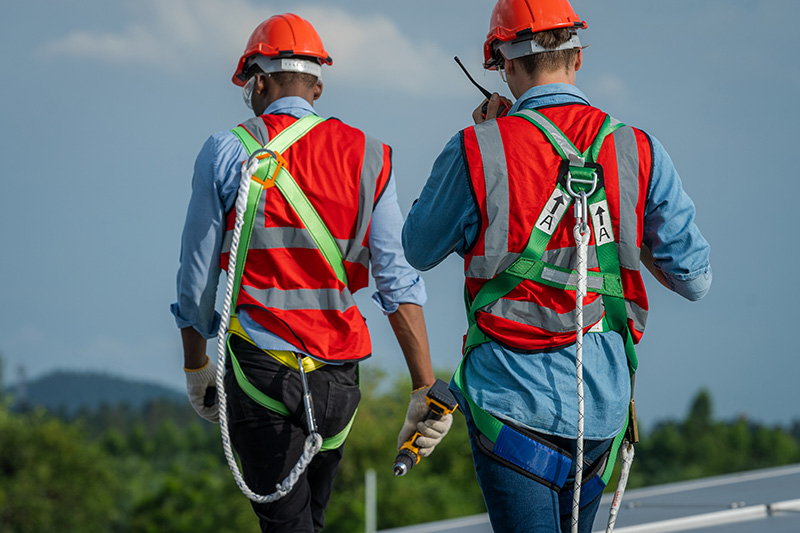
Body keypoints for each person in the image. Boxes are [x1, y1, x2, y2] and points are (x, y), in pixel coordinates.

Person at [402, 0, 712, 531]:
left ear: (504, 62)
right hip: (604, 411)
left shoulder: (479, 149)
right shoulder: (638, 149)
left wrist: (487, 151)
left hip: (511, 404)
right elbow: (694, 278)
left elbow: (419, 247)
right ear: (577, 57)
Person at [171, 13, 451, 532]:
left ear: (258, 81)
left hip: (259, 371)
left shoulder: (228, 150)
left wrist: (196, 369)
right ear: (317, 86)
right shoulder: (372, 156)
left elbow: (196, 281)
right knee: (309, 522)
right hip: (338, 383)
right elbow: (397, 280)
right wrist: (423, 385)